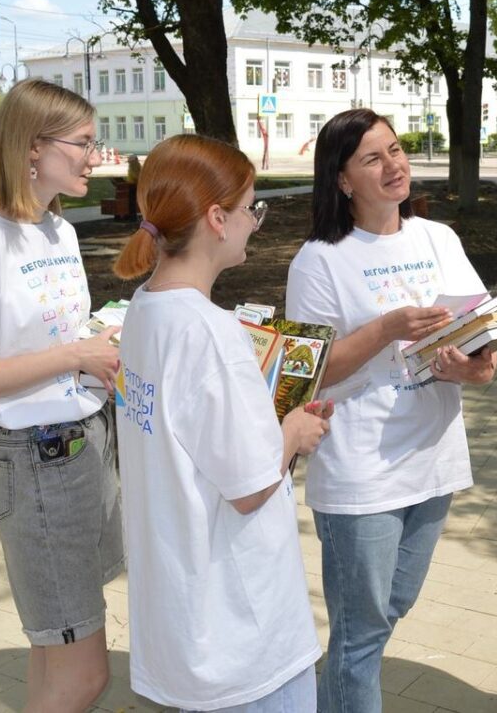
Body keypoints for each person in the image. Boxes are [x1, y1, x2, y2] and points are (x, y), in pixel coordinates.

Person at [286, 108, 497, 711]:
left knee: (383, 615)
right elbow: (311, 373)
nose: (394, 165)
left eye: (397, 150)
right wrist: (387, 328)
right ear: (343, 180)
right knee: (360, 634)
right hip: (362, 471)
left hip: (432, 459)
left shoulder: (439, 239)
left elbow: (483, 341)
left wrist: (475, 367)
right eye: (372, 158)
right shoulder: (319, 261)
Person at [112, 134, 330, 712]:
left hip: (185, 620)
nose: (254, 223)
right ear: (215, 218)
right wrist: (294, 434)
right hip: (242, 637)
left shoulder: (144, 309)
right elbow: (252, 485)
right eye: (250, 210)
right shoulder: (210, 332)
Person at [0, 79, 123, 713]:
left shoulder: (56, 231)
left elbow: (63, 336)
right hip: (38, 462)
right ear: (33, 147)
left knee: (54, 661)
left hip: (83, 444)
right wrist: (76, 355)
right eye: (84, 144)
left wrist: (100, 343)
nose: (95, 158)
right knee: (83, 676)